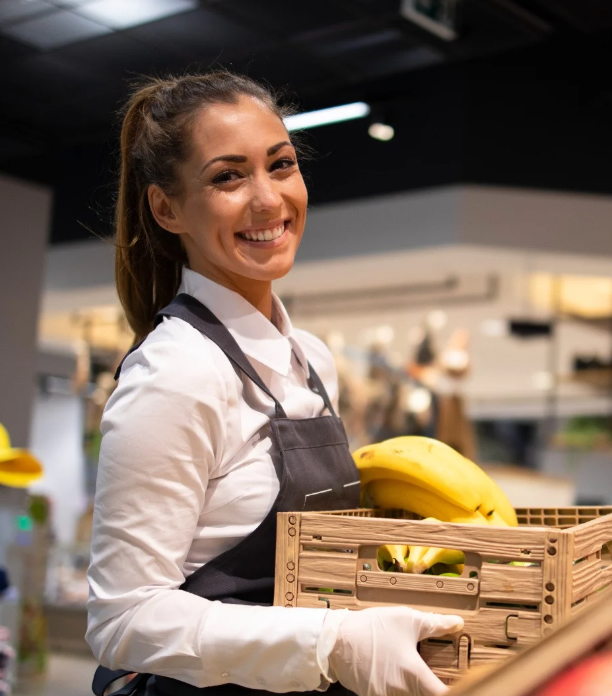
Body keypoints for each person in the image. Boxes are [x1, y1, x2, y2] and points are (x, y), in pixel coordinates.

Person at [85, 71, 463, 696]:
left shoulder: (311, 361)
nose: (267, 199)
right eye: (228, 176)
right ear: (166, 208)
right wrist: (333, 643)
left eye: (280, 165)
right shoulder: (177, 373)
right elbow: (123, 620)